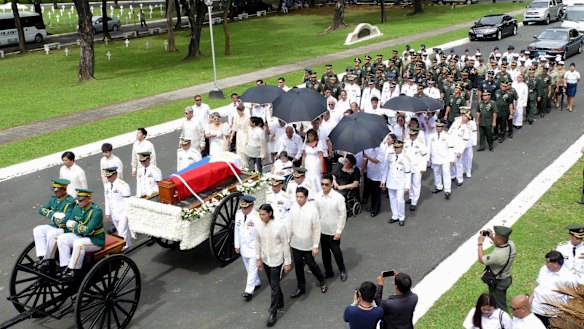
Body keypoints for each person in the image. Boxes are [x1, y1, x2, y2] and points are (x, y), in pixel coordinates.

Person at [287, 187, 328, 298]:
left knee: (311, 264)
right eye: (297, 196)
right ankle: (301, 288)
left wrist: (315, 245)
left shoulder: (312, 210)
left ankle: (322, 280)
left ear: (306, 197)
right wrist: (287, 240)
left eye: (301, 197)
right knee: (299, 267)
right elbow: (289, 226)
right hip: (295, 244)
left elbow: (316, 229)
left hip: (308, 244)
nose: (299, 199)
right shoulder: (293, 209)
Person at [255, 204, 291, 327]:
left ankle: (272, 313)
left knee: (274, 286)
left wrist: (287, 262)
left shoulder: (279, 226)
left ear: (270, 213)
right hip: (265, 259)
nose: (261, 217)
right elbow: (257, 242)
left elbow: (285, 244)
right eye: (260, 214)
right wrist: (258, 259)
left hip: (277, 260)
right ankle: (280, 300)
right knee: (272, 283)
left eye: (263, 214)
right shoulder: (258, 225)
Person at [57, 189, 105, 280]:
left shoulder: (96, 211)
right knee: (62, 238)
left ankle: (75, 271)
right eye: (78, 200)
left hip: (95, 239)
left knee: (78, 244)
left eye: (82, 200)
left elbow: (88, 230)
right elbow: (68, 223)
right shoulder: (77, 208)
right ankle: (65, 266)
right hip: (80, 235)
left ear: (89, 199)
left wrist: (74, 225)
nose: (79, 202)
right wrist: (75, 226)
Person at [33, 179, 76, 270]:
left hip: (66, 229)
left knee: (51, 234)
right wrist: (54, 215)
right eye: (54, 190)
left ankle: (50, 260)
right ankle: (43, 257)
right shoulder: (53, 199)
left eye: (57, 190)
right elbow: (42, 210)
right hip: (56, 226)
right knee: (38, 230)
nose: (55, 192)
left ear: (64, 190)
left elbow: (64, 221)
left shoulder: (70, 201)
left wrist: (51, 215)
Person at [530, 250, 578, 327]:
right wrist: (529, 301)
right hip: (537, 310)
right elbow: (538, 287)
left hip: (553, 315)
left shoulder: (569, 278)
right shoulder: (544, 269)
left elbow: (572, 300)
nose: (545, 264)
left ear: (555, 264)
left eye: (548, 262)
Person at [315, 173, 347, 281]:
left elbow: (343, 215)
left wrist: (339, 231)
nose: (324, 187)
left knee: (336, 252)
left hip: (334, 231)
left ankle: (342, 270)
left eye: (326, 184)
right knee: (325, 253)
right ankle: (329, 271)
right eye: (322, 184)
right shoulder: (317, 196)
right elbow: (316, 213)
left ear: (331, 184)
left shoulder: (338, 198)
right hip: (322, 230)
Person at [478, 226, 516, 311]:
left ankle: (502, 321)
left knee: (500, 306)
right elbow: (499, 242)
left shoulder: (498, 255)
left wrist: (480, 243)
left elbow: (481, 259)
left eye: (495, 236)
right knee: (494, 298)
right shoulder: (511, 244)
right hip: (507, 277)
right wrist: (491, 236)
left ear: (499, 240)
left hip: (499, 282)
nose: (493, 236)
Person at [234, 195, 261, 301]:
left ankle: (249, 291)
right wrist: (237, 244)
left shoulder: (257, 217)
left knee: (252, 268)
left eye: (246, 208)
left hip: (254, 247)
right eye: (242, 207)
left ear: (251, 206)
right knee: (247, 266)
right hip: (244, 247)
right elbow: (237, 229)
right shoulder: (238, 214)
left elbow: (260, 234)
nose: (243, 210)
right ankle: (256, 282)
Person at [380, 140, 411, 226]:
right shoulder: (390, 156)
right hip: (390, 182)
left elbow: (408, 173)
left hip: (401, 183)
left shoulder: (406, 158)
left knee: (400, 201)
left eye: (397, 147)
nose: (395, 149)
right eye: (394, 147)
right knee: (392, 200)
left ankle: (401, 217)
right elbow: (386, 169)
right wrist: (383, 181)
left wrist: (407, 186)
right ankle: (395, 216)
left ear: (401, 147)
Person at [103, 167, 132, 249]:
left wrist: (127, 214)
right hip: (114, 213)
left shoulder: (123, 185)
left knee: (122, 232)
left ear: (115, 174)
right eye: (107, 176)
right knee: (121, 231)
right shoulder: (107, 186)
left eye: (109, 176)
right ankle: (128, 244)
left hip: (123, 212)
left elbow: (127, 201)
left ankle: (123, 248)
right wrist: (107, 213)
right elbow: (107, 199)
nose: (108, 178)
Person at [427, 120, 454, 200]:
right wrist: (427, 158)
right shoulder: (431, 136)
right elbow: (428, 148)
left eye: (439, 126)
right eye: (437, 126)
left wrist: (452, 159)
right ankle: (438, 186)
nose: (437, 128)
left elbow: (451, 148)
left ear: (443, 127)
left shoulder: (447, 136)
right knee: (436, 173)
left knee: (446, 174)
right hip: (435, 158)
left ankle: (447, 190)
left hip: (445, 158)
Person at [403, 128, 427, 211]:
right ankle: (410, 197)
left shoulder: (421, 143)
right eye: (410, 134)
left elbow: (424, 156)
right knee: (409, 183)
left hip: (417, 166)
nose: (411, 136)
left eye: (412, 135)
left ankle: (414, 202)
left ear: (416, 135)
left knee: (416, 184)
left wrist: (423, 168)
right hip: (408, 167)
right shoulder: (406, 141)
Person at [302, 128, 326, 193]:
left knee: (316, 177)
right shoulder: (305, 144)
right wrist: (302, 166)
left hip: (316, 163)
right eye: (308, 135)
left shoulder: (319, 143)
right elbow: (304, 156)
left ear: (315, 136)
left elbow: (321, 156)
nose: (310, 137)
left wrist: (321, 167)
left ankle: (319, 192)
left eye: (311, 135)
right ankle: (309, 192)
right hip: (307, 163)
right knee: (308, 177)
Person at [362, 146, 384, 217]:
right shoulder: (367, 148)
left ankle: (376, 210)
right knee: (372, 192)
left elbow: (377, 161)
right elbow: (365, 160)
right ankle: (372, 206)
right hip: (370, 174)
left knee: (377, 194)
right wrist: (362, 170)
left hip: (378, 175)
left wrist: (367, 157)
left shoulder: (381, 150)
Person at [230, 102, 250, 167]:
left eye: (241, 111)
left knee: (244, 149)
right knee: (239, 150)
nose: (240, 112)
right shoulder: (236, 117)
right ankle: (241, 165)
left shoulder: (247, 117)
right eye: (238, 111)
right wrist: (231, 136)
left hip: (245, 134)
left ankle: (246, 164)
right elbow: (234, 127)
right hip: (239, 134)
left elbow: (249, 128)